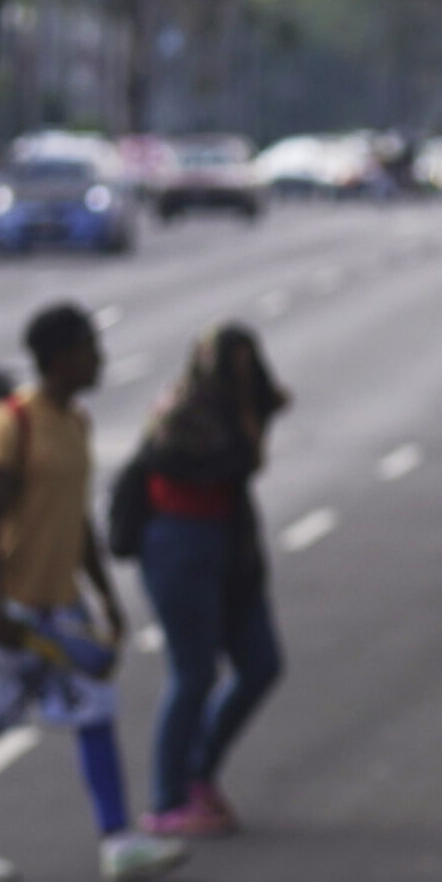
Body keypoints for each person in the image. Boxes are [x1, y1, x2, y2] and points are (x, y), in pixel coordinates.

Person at [0, 302, 187, 882]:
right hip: (10, 607)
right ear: (60, 358)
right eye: (89, 348)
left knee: (95, 711)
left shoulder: (76, 423)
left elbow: (77, 520)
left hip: (61, 603)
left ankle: (119, 841)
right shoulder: (11, 421)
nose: (98, 359)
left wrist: (105, 595)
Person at [134, 323, 290, 836]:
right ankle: (167, 798)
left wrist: (254, 404)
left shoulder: (243, 409)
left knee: (261, 663)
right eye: (229, 365)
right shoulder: (186, 414)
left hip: (231, 544)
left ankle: (198, 768)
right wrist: (245, 412)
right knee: (193, 672)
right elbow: (214, 458)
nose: (237, 376)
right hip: (181, 546)